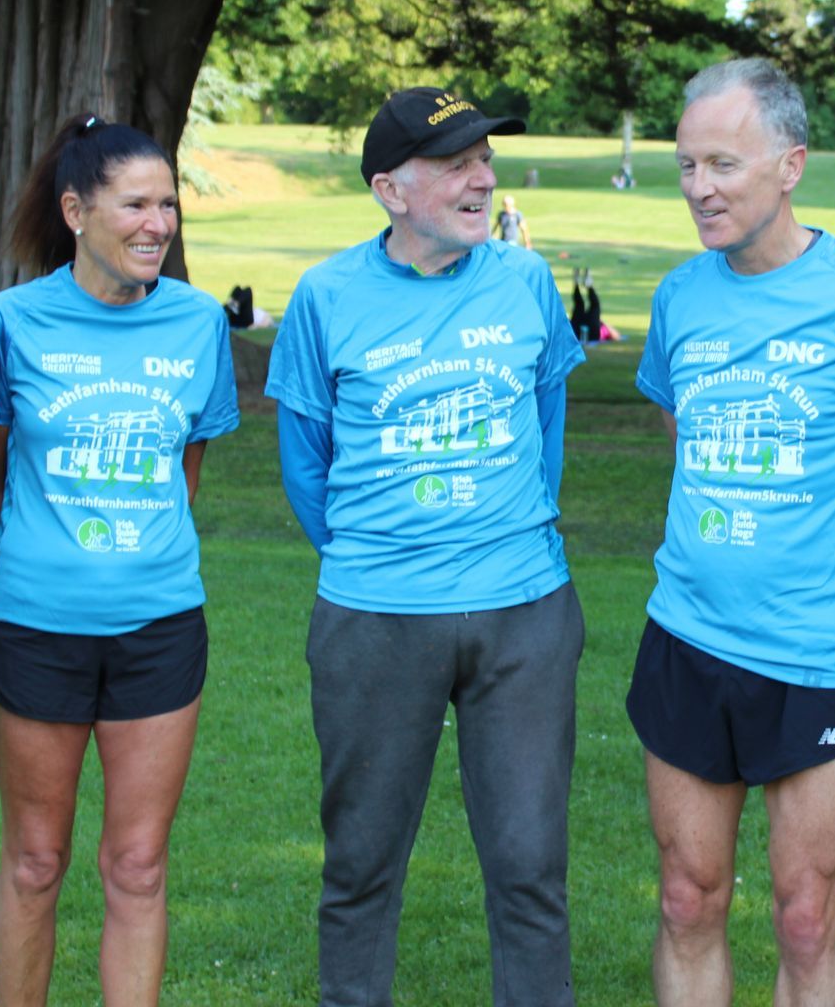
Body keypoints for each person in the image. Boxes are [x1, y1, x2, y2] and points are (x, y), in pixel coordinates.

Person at [629, 58, 835, 1007]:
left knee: (807, 912)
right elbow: (684, 441)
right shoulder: (681, 298)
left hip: (816, 652)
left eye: (723, 164)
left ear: (791, 164)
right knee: (689, 899)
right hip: (687, 639)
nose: (699, 189)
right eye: (687, 166)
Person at [266, 87, 585, 1007]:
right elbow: (305, 463)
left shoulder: (524, 280)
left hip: (524, 611)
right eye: (455, 164)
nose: (481, 178)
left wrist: (505, 533)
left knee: (529, 864)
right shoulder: (327, 294)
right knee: (361, 860)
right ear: (390, 190)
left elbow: (545, 420)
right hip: (375, 617)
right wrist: (383, 557)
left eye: (483, 159)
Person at [0, 115, 239, 1007]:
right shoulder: (9, 323)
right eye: (136, 205)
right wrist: (54, 556)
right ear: (78, 210)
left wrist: (131, 551)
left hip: (159, 631)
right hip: (34, 630)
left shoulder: (199, 322)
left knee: (137, 863)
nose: (157, 223)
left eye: (167, 205)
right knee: (35, 861)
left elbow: (184, 471)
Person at [569, 267, 603, 344]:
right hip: (591, 334)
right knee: (593, 305)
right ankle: (586, 285)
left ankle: (578, 285)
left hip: (577, 331)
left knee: (580, 304)